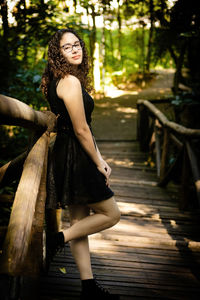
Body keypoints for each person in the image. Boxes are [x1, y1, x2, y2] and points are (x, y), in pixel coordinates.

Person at [41, 28, 121, 300]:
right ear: (57, 53)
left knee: (79, 222)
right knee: (112, 214)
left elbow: (84, 129)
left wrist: (101, 158)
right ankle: (55, 240)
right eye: (67, 47)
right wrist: (98, 162)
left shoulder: (61, 80)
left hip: (69, 153)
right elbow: (81, 130)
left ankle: (88, 288)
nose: (75, 49)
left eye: (77, 45)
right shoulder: (70, 82)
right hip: (76, 156)